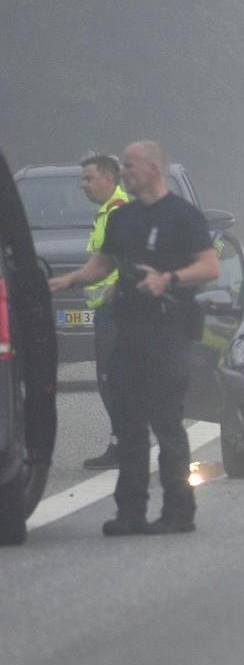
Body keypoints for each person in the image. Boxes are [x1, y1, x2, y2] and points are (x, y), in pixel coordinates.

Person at [67, 142, 218, 535]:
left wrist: (169, 279)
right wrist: (66, 280)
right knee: (129, 423)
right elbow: (103, 263)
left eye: (130, 166)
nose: (125, 171)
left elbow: (209, 266)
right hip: (128, 331)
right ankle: (130, 513)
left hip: (169, 331)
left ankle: (178, 512)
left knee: (167, 423)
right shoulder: (123, 218)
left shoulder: (183, 216)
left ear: (153, 168)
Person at [46, 153, 129, 469]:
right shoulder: (108, 212)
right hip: (106, 310)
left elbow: (123, 261)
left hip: (116, 311)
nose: (83, 186)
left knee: (113, 380)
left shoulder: (119, 213)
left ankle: (125, 444)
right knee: (111, 380)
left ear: (109, 178)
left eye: (88, 178)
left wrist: (116, 291)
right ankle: (123, 441)